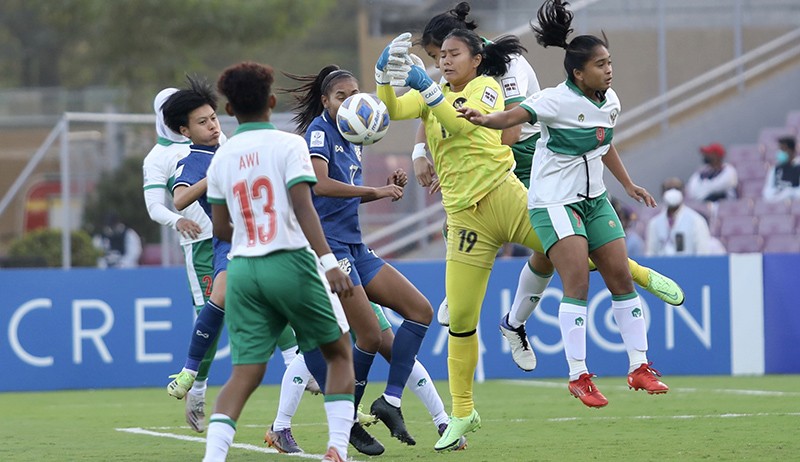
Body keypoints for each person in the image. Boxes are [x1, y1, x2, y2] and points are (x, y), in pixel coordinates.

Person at [407, 1, 686, 371]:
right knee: (528, 244)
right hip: (493, 156)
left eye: (442, 54)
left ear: (465, 50)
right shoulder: (457, 70)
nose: (441, 63)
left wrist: (463, 157)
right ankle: (507, 319)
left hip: (533, 160)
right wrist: (422, 151)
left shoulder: (506, 66)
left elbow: (507, 133)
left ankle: (630, 277)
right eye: (435, 57)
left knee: (558, 253)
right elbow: (437, 104)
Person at [203, 60, 355, 462]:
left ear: (229, 111)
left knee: (244, 374)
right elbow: (305, 209)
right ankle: (337, 449)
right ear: (272, 102)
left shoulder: (222, 156)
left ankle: (213, 458)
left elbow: (220, 228)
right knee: (339, 353)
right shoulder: (290, 145)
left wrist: (251, 238)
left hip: (242, 270)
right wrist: (329, 263)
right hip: (290, 261)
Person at [278, 65, 434, 454]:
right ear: (327, 102)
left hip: (356, 246)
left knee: (420, 310)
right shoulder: (319, 130)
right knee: (367, 335)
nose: (349, 101)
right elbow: (320, 185)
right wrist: (377, 191)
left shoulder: (355, 134)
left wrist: (383, 189)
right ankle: (346, 420)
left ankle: (390, 400)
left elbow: (343, 192)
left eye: (353, 93)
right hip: (328, 249)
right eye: (341, 96)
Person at [162, 77, 302, 424]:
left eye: (212, 118)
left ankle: (301, 366)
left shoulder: (237, 145)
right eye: (202, 122)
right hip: (231, 241)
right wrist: (217, 173)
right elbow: (179, 199)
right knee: (220, 297)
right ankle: (190, 372)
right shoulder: (193, 160)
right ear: (185, 130)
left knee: (281, 301)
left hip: (269, 236)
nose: (211, 126)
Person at [266, 302, 465, 454]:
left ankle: (443, 422)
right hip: (326, 277)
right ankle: (281, 427)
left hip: (353, 275)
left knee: (394, 350)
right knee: (312, 349)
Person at [142, 87, 216, 432]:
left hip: (236, 236)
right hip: (200, 245)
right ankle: (197, 390)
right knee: (211, 317)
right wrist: (178, 219)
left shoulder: (214, 136)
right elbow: (156, 205)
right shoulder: (157, 157)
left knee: (268, 299)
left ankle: (298, 367)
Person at [646, 178, 713, 256]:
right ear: (662, 193)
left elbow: (703, 252)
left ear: (683, 192)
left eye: (677, 189)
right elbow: (651, 253)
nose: (672, 192)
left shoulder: (697, 220)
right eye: (668, 189)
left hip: (689, 266)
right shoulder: (654, 223)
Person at [762, 137, 800, 202]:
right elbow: (767, 191)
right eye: (779, 149)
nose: (780, 152)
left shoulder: (798, 168)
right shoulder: (775, 170)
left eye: (784, 149)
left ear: (792, 151)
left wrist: (790, 193)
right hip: (777, 204)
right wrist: (778, 195)